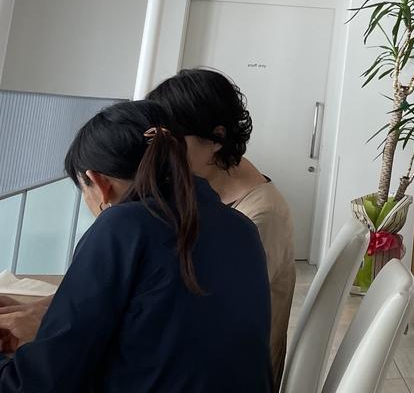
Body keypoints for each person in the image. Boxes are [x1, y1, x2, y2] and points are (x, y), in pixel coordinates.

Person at [0, 100, 271, 391]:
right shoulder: (243, 228)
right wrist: (50, 322)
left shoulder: (123, 225)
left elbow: (39, 385)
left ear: (98, 182)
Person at [148, 67, 295, 390]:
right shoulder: (213, 177)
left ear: (215, 139)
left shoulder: (260, 216)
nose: (160, 151)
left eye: (172, 139)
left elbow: (212, 317)